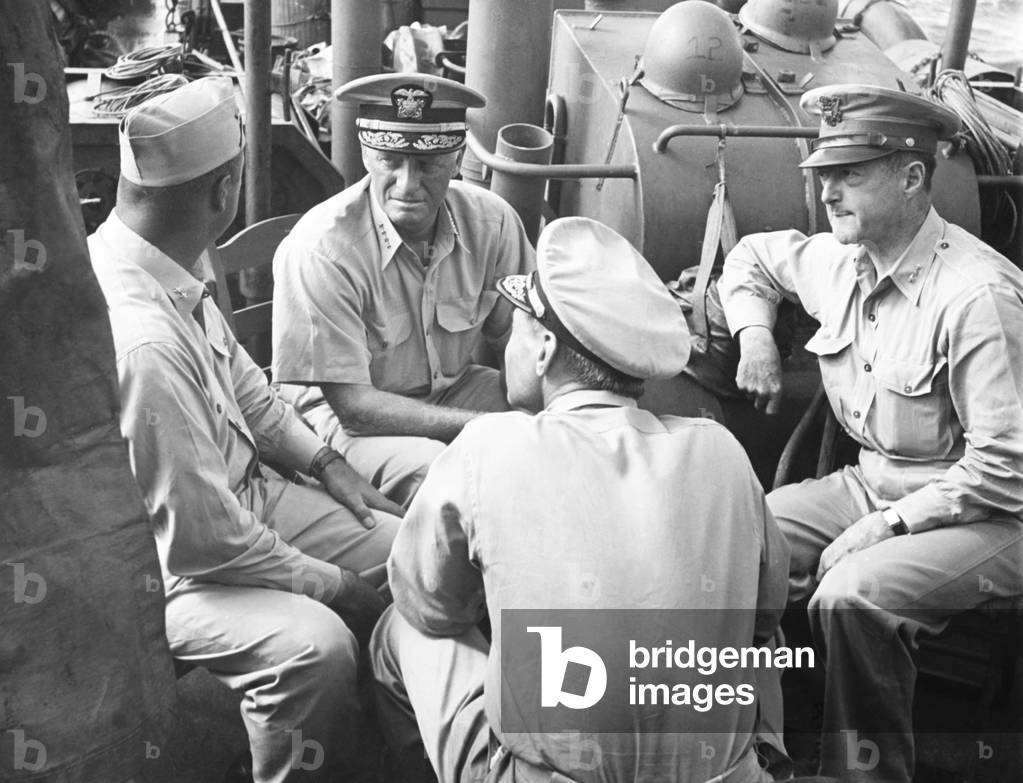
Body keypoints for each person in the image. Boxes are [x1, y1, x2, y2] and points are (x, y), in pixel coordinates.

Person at [371, 217, 790, 783]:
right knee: (753, 636)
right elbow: (766, 616)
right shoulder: (721, 449)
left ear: (544, 348)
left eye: (516, 328)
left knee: (400, 627)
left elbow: (429, 603)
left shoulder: (488, 446)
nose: (506, 347)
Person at [87, 77, 405, 783]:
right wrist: (334, 586)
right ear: (224, 189)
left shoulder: (169, 252)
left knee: (405, 549)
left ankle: (372, 738)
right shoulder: (142, 340)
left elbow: (246, 388)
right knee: (315, 646)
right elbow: (202, 539)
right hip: (166, 568)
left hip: (239, 500)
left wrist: (326, 461)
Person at [720, 83, 1023, 782]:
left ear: (912, 176)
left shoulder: (976, 296)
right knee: (739, 537)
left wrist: (883, 524)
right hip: (875, 483)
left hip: (993, 512)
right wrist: (756, 337)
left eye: (850, 173)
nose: (828, 193)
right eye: (824, 174)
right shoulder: (841, 262)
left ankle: (864, 774)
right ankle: (749, 748)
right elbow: (753, 258)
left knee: (853, 593)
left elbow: (1007, 466)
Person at [271, 73, 535, 507]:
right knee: (445, 476)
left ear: (457, 157)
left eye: (428, 165)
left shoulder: (494, 223)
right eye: (390, 161)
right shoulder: (322, 250)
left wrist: (541, 416)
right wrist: (488, 429)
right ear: (366, 154)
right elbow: (355, 409)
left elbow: (523, 340)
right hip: (339, 422)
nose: (408, 185)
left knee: (554, 438)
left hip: (452, 392)